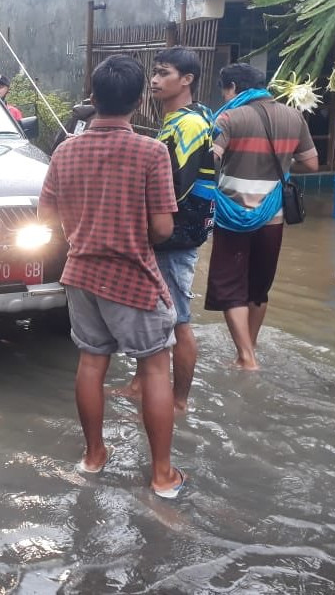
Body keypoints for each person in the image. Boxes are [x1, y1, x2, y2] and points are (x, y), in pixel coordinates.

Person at [38, 54, 185, 498]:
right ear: (139, 102)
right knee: (157, 369)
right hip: (132, 275)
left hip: (80, 273)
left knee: (91, 363)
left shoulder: (65, 150)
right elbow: (163, 228)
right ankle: (162, 476)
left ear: (93, 97)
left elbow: (45, 217)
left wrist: (82, 230)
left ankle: (93, 456)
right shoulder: (151, 151)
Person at [205, 63, 318, 369]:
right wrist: (279, 162)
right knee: (258, 287)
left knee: (230, 287)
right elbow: (311, 164)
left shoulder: (228, 117)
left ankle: (246, 357)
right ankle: (249, 349)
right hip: (273, 215)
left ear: (231, 87)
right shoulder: (293, 117)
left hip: (231, 214)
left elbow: (209, 160)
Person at [120, 47, 215, 413]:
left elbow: (175, 186)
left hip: (176, 235)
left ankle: (179, 402)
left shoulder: (189, 123)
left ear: (186, 79)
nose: (155, 81)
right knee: (157, 314)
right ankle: (140, 385)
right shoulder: (184, 117)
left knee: (178, 321)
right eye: (154, 74)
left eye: (164, 73)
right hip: (171, 233)